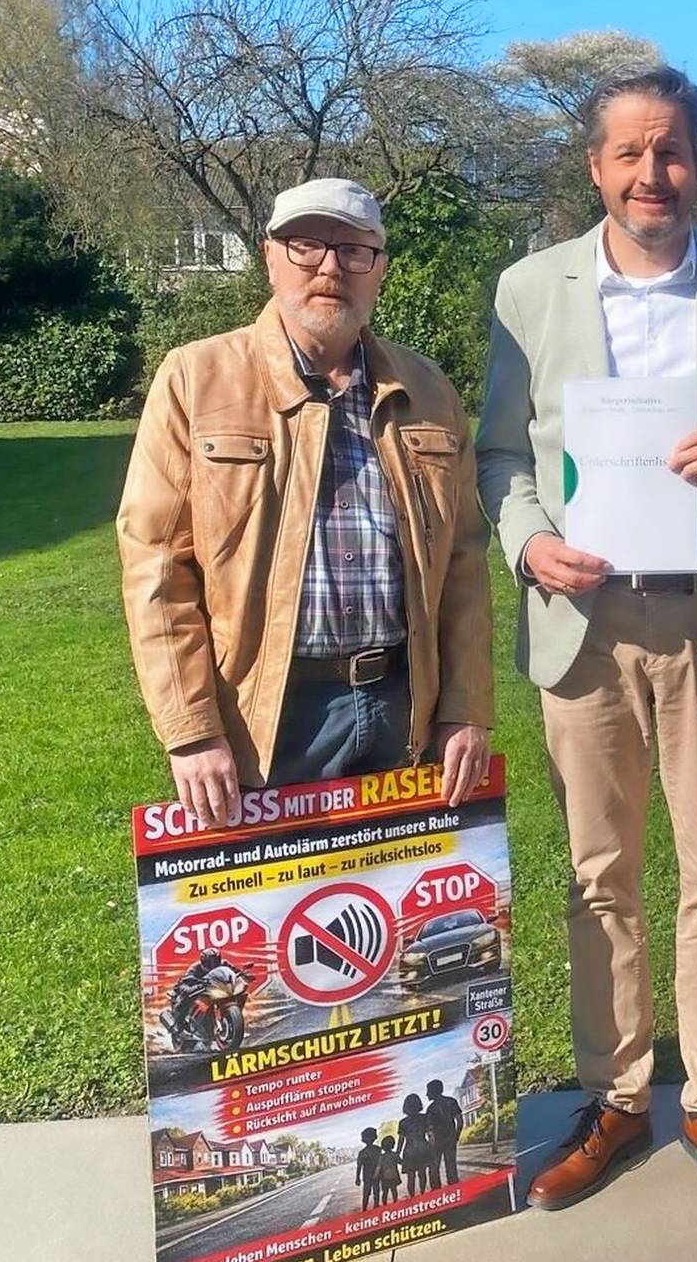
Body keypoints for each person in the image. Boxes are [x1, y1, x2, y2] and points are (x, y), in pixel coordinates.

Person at [477, 65, 697, 1211]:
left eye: (672, 150)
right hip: (582, 620)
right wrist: (529, 541)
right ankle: (620, 1096)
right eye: (629, 153)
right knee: (599, 875)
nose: (652, 174)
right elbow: (501, 455)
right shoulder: (531, 289)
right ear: (595, 167)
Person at [118, 177, 494, 828]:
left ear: (379, 270)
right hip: (267, 714)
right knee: (267, 921)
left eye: (354, 252)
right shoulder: (195, 379)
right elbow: (155, 564)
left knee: (397, 916)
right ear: (270, 258)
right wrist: (192, 727)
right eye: (307, 246)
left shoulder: (428, 389)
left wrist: (463, 705)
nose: (330, 267)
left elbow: (462, 561)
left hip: (403, 706)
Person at [164, 948, 250, 1045]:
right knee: (184, 998)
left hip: (216, 988)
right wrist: (192, 986)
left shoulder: (224, 964)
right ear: (203, 961)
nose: (213, 965)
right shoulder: (194, 968)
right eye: (210, 963)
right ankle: (179, 1027)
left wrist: (244, 975)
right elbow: (185, 981)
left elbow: (235, 973)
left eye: (215, 962)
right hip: (195, 988)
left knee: (240, 994)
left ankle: (229, 1019)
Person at [425, 1078, 463, 1186]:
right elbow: (460, 1121)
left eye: (428, 1091)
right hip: (451, 1138)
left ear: (433, 1092)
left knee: (434, 1168)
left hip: (437, 1142)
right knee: (451, 1167)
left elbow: (430, 1131)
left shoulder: (430, 1109)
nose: (427, 1094)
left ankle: (437, 1192)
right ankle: (454, 1189)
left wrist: (431, 1144)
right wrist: (456, 1136)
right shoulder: (451, 1102)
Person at [397, 1094, 434, 1195]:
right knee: (422, 1174)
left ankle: (412, 1197)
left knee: (411, 1177)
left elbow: (401, 1140)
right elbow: (430, 1134)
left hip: (409, 1151)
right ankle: (422, 1192)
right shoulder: (424, 1118)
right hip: (423, 1148)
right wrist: (432, 1148)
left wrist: (397, 1154)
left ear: (406, 1106)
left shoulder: (403, 1122)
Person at [354, 1127, 382, 1210]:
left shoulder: (362, 1153)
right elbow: (380, 1163)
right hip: (376, 1175)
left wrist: (357, 1178)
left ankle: (364, 1209)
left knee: (366, 1193)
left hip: (367, 1176)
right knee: (376, 1191)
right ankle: (376, 1206)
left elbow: (359, 1166)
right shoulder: (378, 1149)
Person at [377, 1134, 401, 1201]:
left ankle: (385, 1205)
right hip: (394, 1176)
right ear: (393, 1145)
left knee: (385, 1192)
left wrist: (375, 1176)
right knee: (394, 1190)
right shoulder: (394, 1155)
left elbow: (378, 1167)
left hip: (384, 1177)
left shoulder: (381, 1157)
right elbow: (402, 1162)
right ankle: (395, 1202)